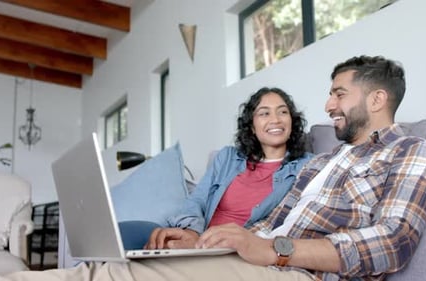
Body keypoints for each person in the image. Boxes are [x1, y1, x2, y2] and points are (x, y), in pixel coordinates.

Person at [0, 55, 426, 281]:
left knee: (121, 277)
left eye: (339, 93)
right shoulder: (323, 161)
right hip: (253, 255)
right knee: (111, 265)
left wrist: (272, 249)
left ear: (378, 98)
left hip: (300, 271)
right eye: (331, 93)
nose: (329, 103)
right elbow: (259, 223)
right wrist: (201, 238)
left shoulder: (411, 151)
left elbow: (394, 243)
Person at [119, 87, 313, 250]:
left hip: (234, 251)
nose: (276, 119)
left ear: (292, 121)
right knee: (128, 236)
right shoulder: (228, 157)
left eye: (283, 111)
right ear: (252, 127)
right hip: (198, 240)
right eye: (264, 113)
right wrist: (192, 233)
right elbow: (198, 199)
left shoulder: (307, 166)